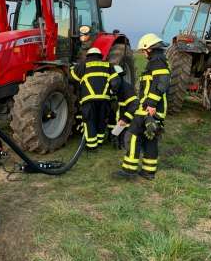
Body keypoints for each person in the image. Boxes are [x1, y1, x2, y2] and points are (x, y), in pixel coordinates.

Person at [115, 33, 170, 180]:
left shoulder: (157, 63)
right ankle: (148, 171)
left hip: (149, 109)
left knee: (133, 135)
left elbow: (161, 84)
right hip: (153, 109)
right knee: (150, 138)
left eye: (143, 51)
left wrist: (151, 104)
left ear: (149, 49)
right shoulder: (159, 62)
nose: (143, 54)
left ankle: (129, 170)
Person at [70, 47, 121, 150]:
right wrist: (111, 92)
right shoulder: (108, 65)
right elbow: (116, 82)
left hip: (88, 99)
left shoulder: (83, 65)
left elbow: (72, 78)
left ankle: (92, 146)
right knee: (101, 120)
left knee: (89, 121)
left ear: (88, 55)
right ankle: (100, 141)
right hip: (104, 99)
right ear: (99, 56)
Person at [108, 65, 139, 148]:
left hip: (124, 121)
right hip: (117, 120)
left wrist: (125, 119)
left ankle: (122, 142)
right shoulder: (116, 87)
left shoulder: (127, 88)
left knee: (123, 139)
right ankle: (114, 138)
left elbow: (134, 104)